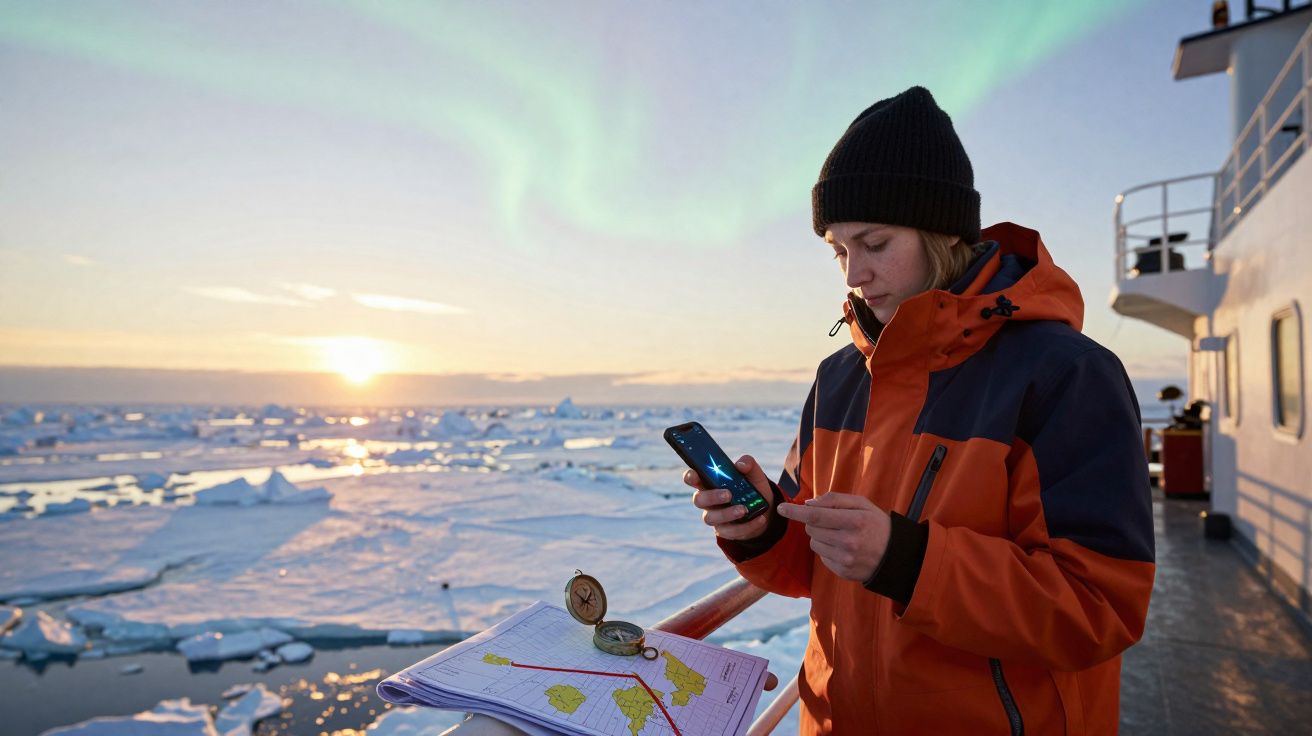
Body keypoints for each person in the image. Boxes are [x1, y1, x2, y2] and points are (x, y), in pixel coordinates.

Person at [686, 86, 1154, 734]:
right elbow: (813, 568)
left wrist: (909, 561)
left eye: (874, 244)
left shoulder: (1064, 375)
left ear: (940, 233)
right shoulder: (840, 379)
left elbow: (1097, 606)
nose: (854, 274)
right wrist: (763, 527)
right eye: (840, 250)